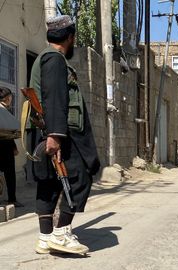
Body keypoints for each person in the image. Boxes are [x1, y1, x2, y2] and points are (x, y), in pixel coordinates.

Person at [27, 15, 100, 255]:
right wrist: (56, 136)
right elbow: (56, 98)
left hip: (52, 131)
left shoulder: (44, 59)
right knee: (81, 176)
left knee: (49, 183)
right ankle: (61, 233)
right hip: (64, 134)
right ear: (70, 38)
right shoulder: (55, 60)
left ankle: (45, 237)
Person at [0, 87, 23, 207]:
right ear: (8, 98)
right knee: (10, 174)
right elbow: (10, 130)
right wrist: (14, 147)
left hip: (5, 145)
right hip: (5, 146)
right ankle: (12, 199)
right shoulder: (4, 110)